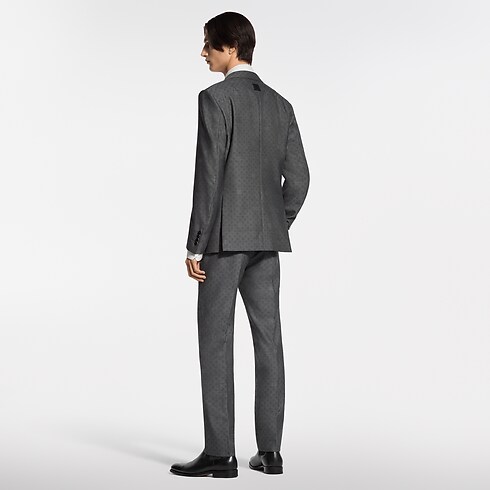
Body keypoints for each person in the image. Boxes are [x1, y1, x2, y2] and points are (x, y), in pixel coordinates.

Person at [170, 11, 310, 479]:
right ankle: (270, 453)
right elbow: (300, 179)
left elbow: (208, 178)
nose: (203, 52)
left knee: (216, 340)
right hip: (266, 245)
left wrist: (194, 246)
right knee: (269, 341)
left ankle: (220, 454)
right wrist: (275, 224)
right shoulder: (281, 105)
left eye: (208, 44)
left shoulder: (214, 99)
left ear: (231, 48)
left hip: (224, 243)